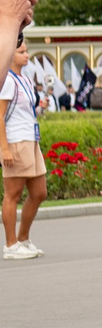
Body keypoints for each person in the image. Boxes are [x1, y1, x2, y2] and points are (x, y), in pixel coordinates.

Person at [1, 44, 43, 260]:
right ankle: (10, 245)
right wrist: (4, 148)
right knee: (13, 195)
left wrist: (39, 106)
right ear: (10, 55)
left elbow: (24, 109)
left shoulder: (25, 80)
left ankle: (23, 239)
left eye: (26, 51)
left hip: (32, 139)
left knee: (39, 193)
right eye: (21, 52)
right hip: (16, 140)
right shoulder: (6, 79)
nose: (26, 55)